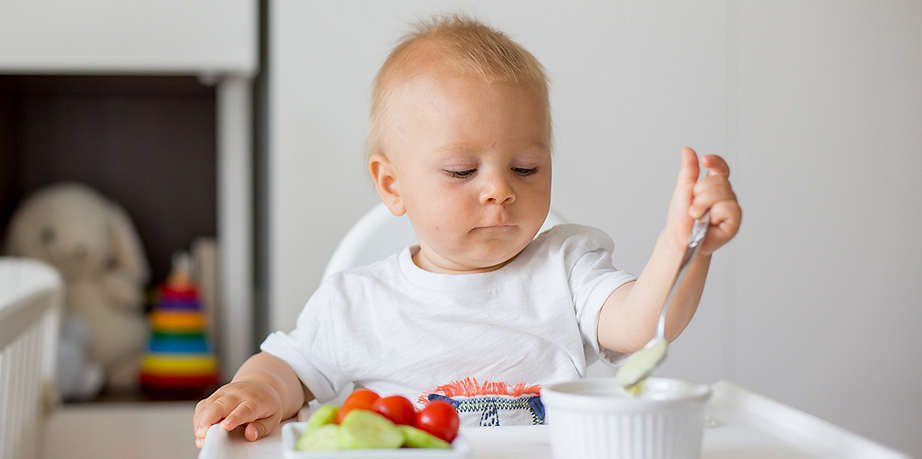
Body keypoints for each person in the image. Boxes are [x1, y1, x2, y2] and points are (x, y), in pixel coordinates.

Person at [193, 14, 741, 447]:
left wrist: (685, 246)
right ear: (392, 185)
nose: (500, 189)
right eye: (461, 171)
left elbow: (642, 327)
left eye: (526, 167)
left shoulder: (567, 265)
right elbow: (289, 368)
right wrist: (253, 391)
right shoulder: (356, 303)